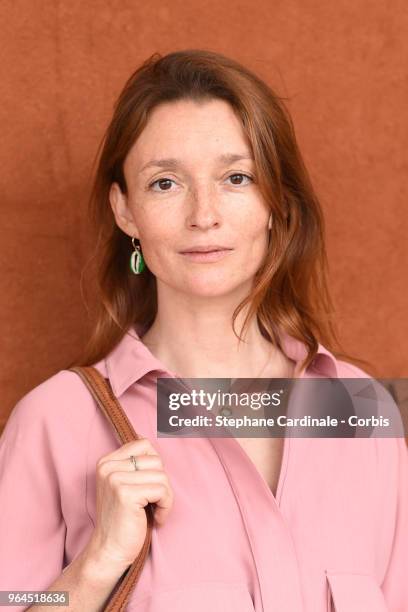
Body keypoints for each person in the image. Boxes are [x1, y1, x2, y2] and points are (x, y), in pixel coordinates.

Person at [0, 49, 406, 612]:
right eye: (166, 183)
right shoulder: (55, 422)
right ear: (126, 211)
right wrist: (95, 566)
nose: (204, 215)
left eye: (236, 177)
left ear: (275, 202)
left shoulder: (362, 411)